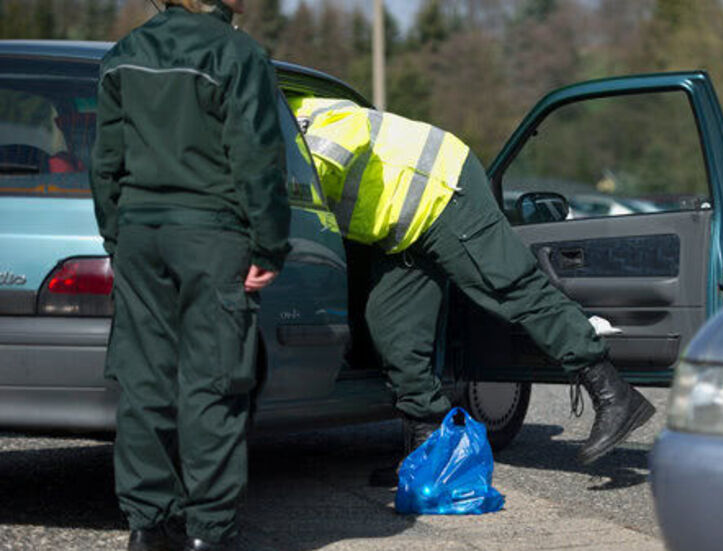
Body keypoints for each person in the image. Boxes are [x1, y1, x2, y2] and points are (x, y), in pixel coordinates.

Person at [290, 96, 656, 470]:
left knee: (510, 287)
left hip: (441, 188)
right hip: (398, 229)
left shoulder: (302, 111)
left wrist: (285, 182)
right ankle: (434, 454)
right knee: (392, 328)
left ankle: (614, 394)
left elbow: (331, 152)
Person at [90, 0, 291, 549]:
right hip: (212, 234)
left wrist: (118, 235)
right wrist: (270, 246)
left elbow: (105, 161)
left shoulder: (123, 55)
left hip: (139, 232)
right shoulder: (238, 53)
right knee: (214, 382)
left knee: (144, 381)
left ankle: (148, 526)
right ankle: (209, 532)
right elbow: (257, 157)